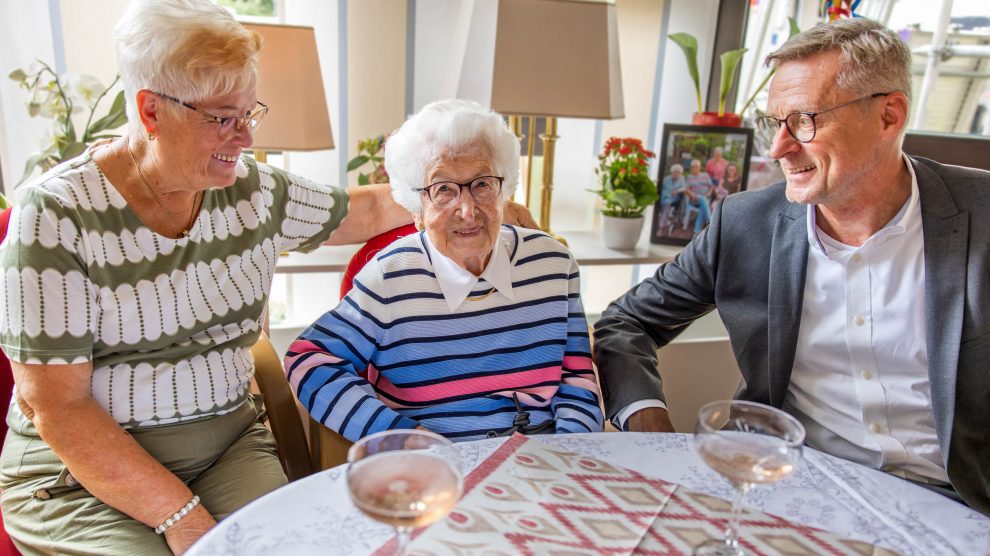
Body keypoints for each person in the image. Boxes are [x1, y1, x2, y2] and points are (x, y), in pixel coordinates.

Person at [0, 2, 536, 554]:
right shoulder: (58, 216)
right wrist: (184, 520)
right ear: (152, 111)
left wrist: (473, 203)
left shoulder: (252, 191)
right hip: (88, 476)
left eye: (248, 112)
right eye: (221, 119)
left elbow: (367, 211)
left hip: (226, 445)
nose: (244, 138)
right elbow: (58, 408)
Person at [593, 18, 990, 517]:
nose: (779, 148)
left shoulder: (983, 215)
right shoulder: (744, 224)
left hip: (959, 504)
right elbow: (626, 322)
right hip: (785, 490)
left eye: (805, 120)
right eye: (772, 122)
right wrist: (651, 428)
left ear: (889, 116)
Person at [285, 99, 603, 442]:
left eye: (482, 184)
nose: (467, 210)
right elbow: (309, 362)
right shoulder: (390, 277)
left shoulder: (554, 265)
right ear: (416, 208)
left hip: (544, 459)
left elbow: (577, 377)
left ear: (504, 191)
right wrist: (400, 437)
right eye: (443, 190)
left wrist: (573, 450)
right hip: (437, 468)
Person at [683, 159, 713, 233]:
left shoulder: (705, 175)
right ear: (691, 168)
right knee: (702, 198)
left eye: (696, 166)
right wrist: (691, 194)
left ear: (700, 167)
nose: (695, 168)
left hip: (706, 198)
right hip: (695, 199)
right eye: (693, 167)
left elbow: (711, 186)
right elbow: (685, 189)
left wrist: (709, 193)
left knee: (703, 204)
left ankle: (697, 229)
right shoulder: (689, 177)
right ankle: (710, 220)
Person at [658, 164, 685, 233]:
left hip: (673, 197)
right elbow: (660, 187)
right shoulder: (666, 178)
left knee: (666, 204)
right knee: (664, 204)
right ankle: (665, 220)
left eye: (678, 172)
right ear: (672, 172)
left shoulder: (682, 179)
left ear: (680, 173)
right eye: (675, 172)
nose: (676, 174)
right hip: (664, 196)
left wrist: (677, 191)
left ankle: (662, 225)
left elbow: (684, 188)